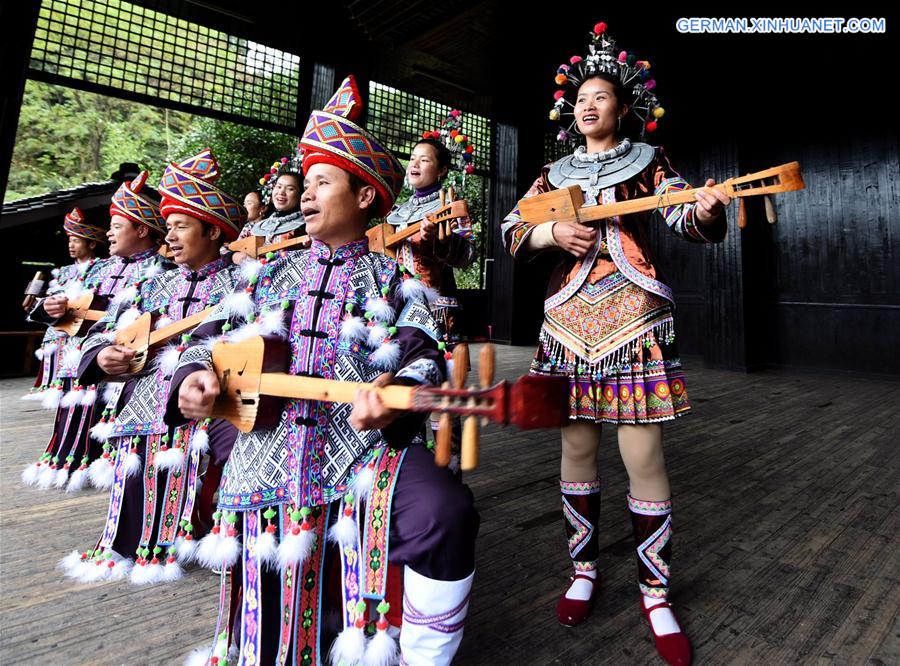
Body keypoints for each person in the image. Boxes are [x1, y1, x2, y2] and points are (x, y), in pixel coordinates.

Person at [171, 77, 478, 666]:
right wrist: (193, 377)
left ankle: (422, 657)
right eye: (304, 183)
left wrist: (395, 394)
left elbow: (425, 359)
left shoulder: (395, 282)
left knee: (446, 511)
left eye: (322, 182)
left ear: (365, 198)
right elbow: (201, 342)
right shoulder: (265, 274)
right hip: (270, 438)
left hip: (362, 447)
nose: (306, 195)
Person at [502, 21, 731, 666]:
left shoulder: (649, 163)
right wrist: (552, 238)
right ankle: (583, 571)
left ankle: (655, 592)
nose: (588, 104)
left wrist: (707, 210)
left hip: (634, 315)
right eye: (581, 98)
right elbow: (513, 230)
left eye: (601, 97)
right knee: (576, 447)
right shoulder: (553, 172)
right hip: (567, 320)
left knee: (643, 454)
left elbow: (682, 212)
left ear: (624, 109)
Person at [60, 150, 244, 585]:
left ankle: (211, 537)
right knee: (137, 466)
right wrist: (102, 355)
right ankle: (133, 542)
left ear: (213, 230)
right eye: (170, 226)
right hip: (142, 400)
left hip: (207, 408)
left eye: (181, 226)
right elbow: (103, 331)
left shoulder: (243, 284)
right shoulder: (151, 282)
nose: (172, 236)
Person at [22, 175, 174, 491]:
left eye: (117, 226)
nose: (108, 232)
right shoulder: (100, 268)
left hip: (123, 368)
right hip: (82, 359)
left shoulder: (162, 271)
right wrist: (53, 307)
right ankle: (69, 462)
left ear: (142, 229)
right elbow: (52, 308)